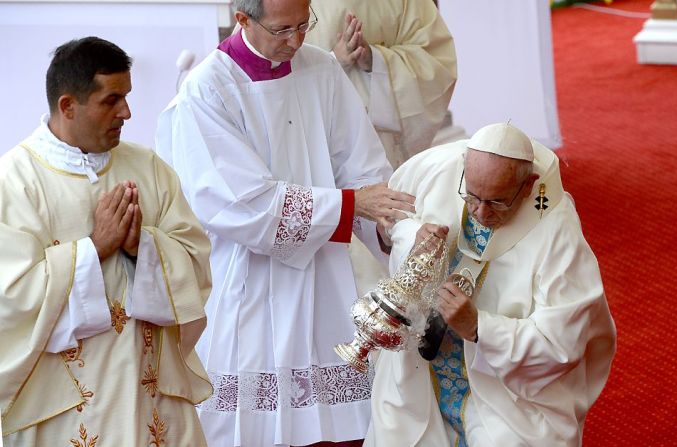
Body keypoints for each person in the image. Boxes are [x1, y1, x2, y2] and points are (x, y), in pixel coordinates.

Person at [154, 0, 414, 445]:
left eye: (303, 25)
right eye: (281, 30)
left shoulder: (322, 70)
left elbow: (361, 165)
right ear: (242, 19)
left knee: (334, 425)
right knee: (251, 427)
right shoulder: (207, 90)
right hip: (247, 281)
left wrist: (391, 228)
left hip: (323, 278)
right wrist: (351, 206)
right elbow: (241, 205)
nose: (295, 41)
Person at [0, 37, 213, 446]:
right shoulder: (16, 181)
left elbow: (196, 261)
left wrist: (142, 248)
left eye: (127, 97)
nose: (126, 112)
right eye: (111, 100)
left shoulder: (148, 167)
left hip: (150, 394)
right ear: (67, 106)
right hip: (60, 408)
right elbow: (11, 298)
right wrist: (93, 249)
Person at [366, 123, 617, 446]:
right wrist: (412, 238)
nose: (480, 213)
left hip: (507, 396)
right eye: (471, 196)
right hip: (419, 372)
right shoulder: (440, 168)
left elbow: (563, 343)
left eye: (497, 202)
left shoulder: (557, 232)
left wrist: (479, 327)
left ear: (528, 187)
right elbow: (389, 222)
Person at [305, 0, 457, 169]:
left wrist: (376, 60)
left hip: (380, 145)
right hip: (319, 138)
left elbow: (434, 62)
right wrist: (334, 61)